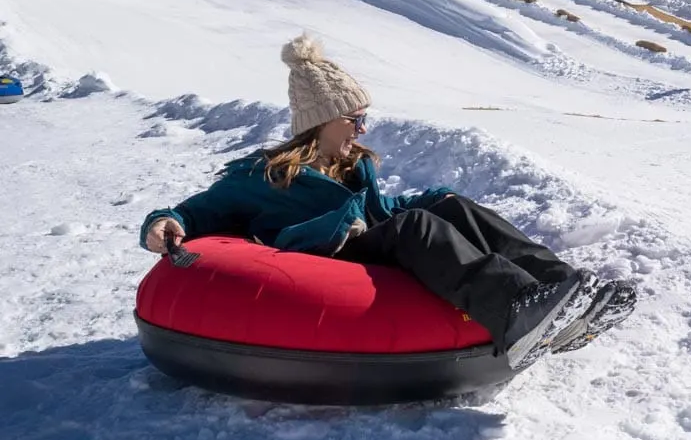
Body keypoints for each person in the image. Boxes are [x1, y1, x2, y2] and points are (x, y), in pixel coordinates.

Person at [140, 33, 637, 371]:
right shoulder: (267, 175)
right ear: (321, 121)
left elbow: (382, 207)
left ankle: (563, 291)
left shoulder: (354, 164)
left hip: (367, 244)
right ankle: (514, 311)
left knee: (449, 208)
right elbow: (200, 209)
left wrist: (442, 198)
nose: (361, 130)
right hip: (325, 258)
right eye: (353, 120)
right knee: (415, 226)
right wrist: (165, 220)